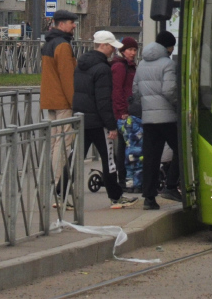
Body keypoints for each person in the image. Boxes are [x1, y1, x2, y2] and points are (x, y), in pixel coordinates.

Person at [72, 30, 129, 206]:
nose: (113, 50)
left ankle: (60, 193)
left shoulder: (81, 64)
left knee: (75, 158)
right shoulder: (103, 69)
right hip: (98, 122)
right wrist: (111, 126)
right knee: (109, 159)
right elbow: (103, 100)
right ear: (103, 45)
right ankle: (116, 197)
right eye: (111, 47)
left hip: (82, 118)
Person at [134, 31, 180, 209]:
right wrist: (178, 105)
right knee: (181, 150)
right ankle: (171, 186)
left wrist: (147, 105)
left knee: (151, 158)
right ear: (168, 47)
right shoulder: (168, 64)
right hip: (167, 117)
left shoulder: (141, 64)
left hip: (148, 119)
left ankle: (149, 198)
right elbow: (169, 91)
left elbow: (135, 91)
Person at [40, 11, 79, 191]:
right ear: (61, 24)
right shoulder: (63, 45)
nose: (74, 25)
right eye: (72, 22)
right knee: (63, 143)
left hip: (51, 99)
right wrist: (74, 102)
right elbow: (67, 77)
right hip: (63, 101)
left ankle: (52, 181)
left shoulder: (49, 42)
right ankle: (58, 184)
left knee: (55, 141)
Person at [110, 37, 139, 193]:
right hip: (124, 113)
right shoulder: (120, 66)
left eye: (135, 50)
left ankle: (125, 179)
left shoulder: (129, 66)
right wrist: (122, 111)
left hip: (128, 110)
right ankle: (124, 179)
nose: (132, 53)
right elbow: (117, 90)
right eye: (129, 50)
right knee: (125, 147)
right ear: (122, 51)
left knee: (126, 146)